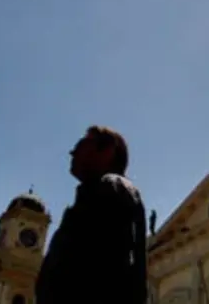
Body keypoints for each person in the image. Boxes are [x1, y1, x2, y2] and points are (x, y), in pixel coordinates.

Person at [36, 126, 148, 304]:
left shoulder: (112, 187)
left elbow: (111, 267)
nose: (72, 152)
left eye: (82, 144)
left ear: (108, 150)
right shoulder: (93, 194)